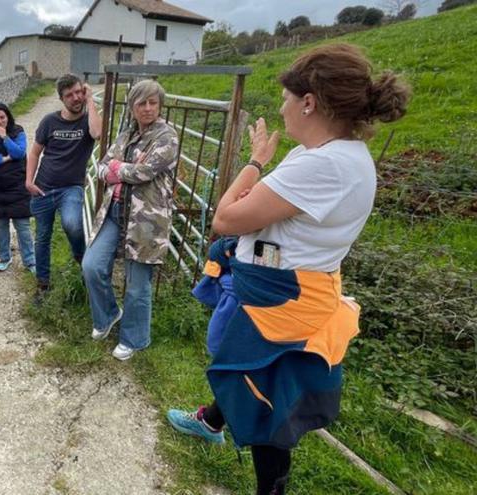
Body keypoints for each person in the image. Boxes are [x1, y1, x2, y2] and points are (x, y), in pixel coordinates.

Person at [167, 44, 410, 495]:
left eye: (285, 98)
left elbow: (225, 217)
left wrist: (255, 161)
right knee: (247, 370)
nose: (281, 108)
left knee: (265, 402)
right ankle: (212, 421)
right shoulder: (329, 155)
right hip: (284, 285)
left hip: (282, 299)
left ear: (309, 102)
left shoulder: (325, 165)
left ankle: (270, 489)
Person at [82, 80, 179, 361]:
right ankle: (110, 314)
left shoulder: (167, 136)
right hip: (114, 211)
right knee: (91, 265)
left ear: (159, 106)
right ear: (133, 107)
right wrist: (118, 168)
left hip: (146, 219)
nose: (148, 108)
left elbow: (146, 171)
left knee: (138, 284)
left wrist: (117, 168)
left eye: (153, 103)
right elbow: (101, 167)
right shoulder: (126, 135)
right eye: (142, 103)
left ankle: (134, 338)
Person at [26, 74, 101, 298]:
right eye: (70, 95)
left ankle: (82, 262)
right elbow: (35, 152)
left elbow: (97, 133)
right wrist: (28, 181)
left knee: (73, 225)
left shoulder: (88, 119)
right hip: (43, 188)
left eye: (79, 92)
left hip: (71, 188)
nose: (76, 97)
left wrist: (90, 101)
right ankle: (43, 285)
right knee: (42, 238)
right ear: (61, 98)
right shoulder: (50, 121)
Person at [0, 103, 36, 273]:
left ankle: (30, 261)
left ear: (8, 117)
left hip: (17, 186)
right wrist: (3, 159)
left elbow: (19, 152)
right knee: (0, 226)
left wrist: (5, 138)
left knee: (22, 226)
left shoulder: (18, 132)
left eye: (2, 117)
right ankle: (4, 258)